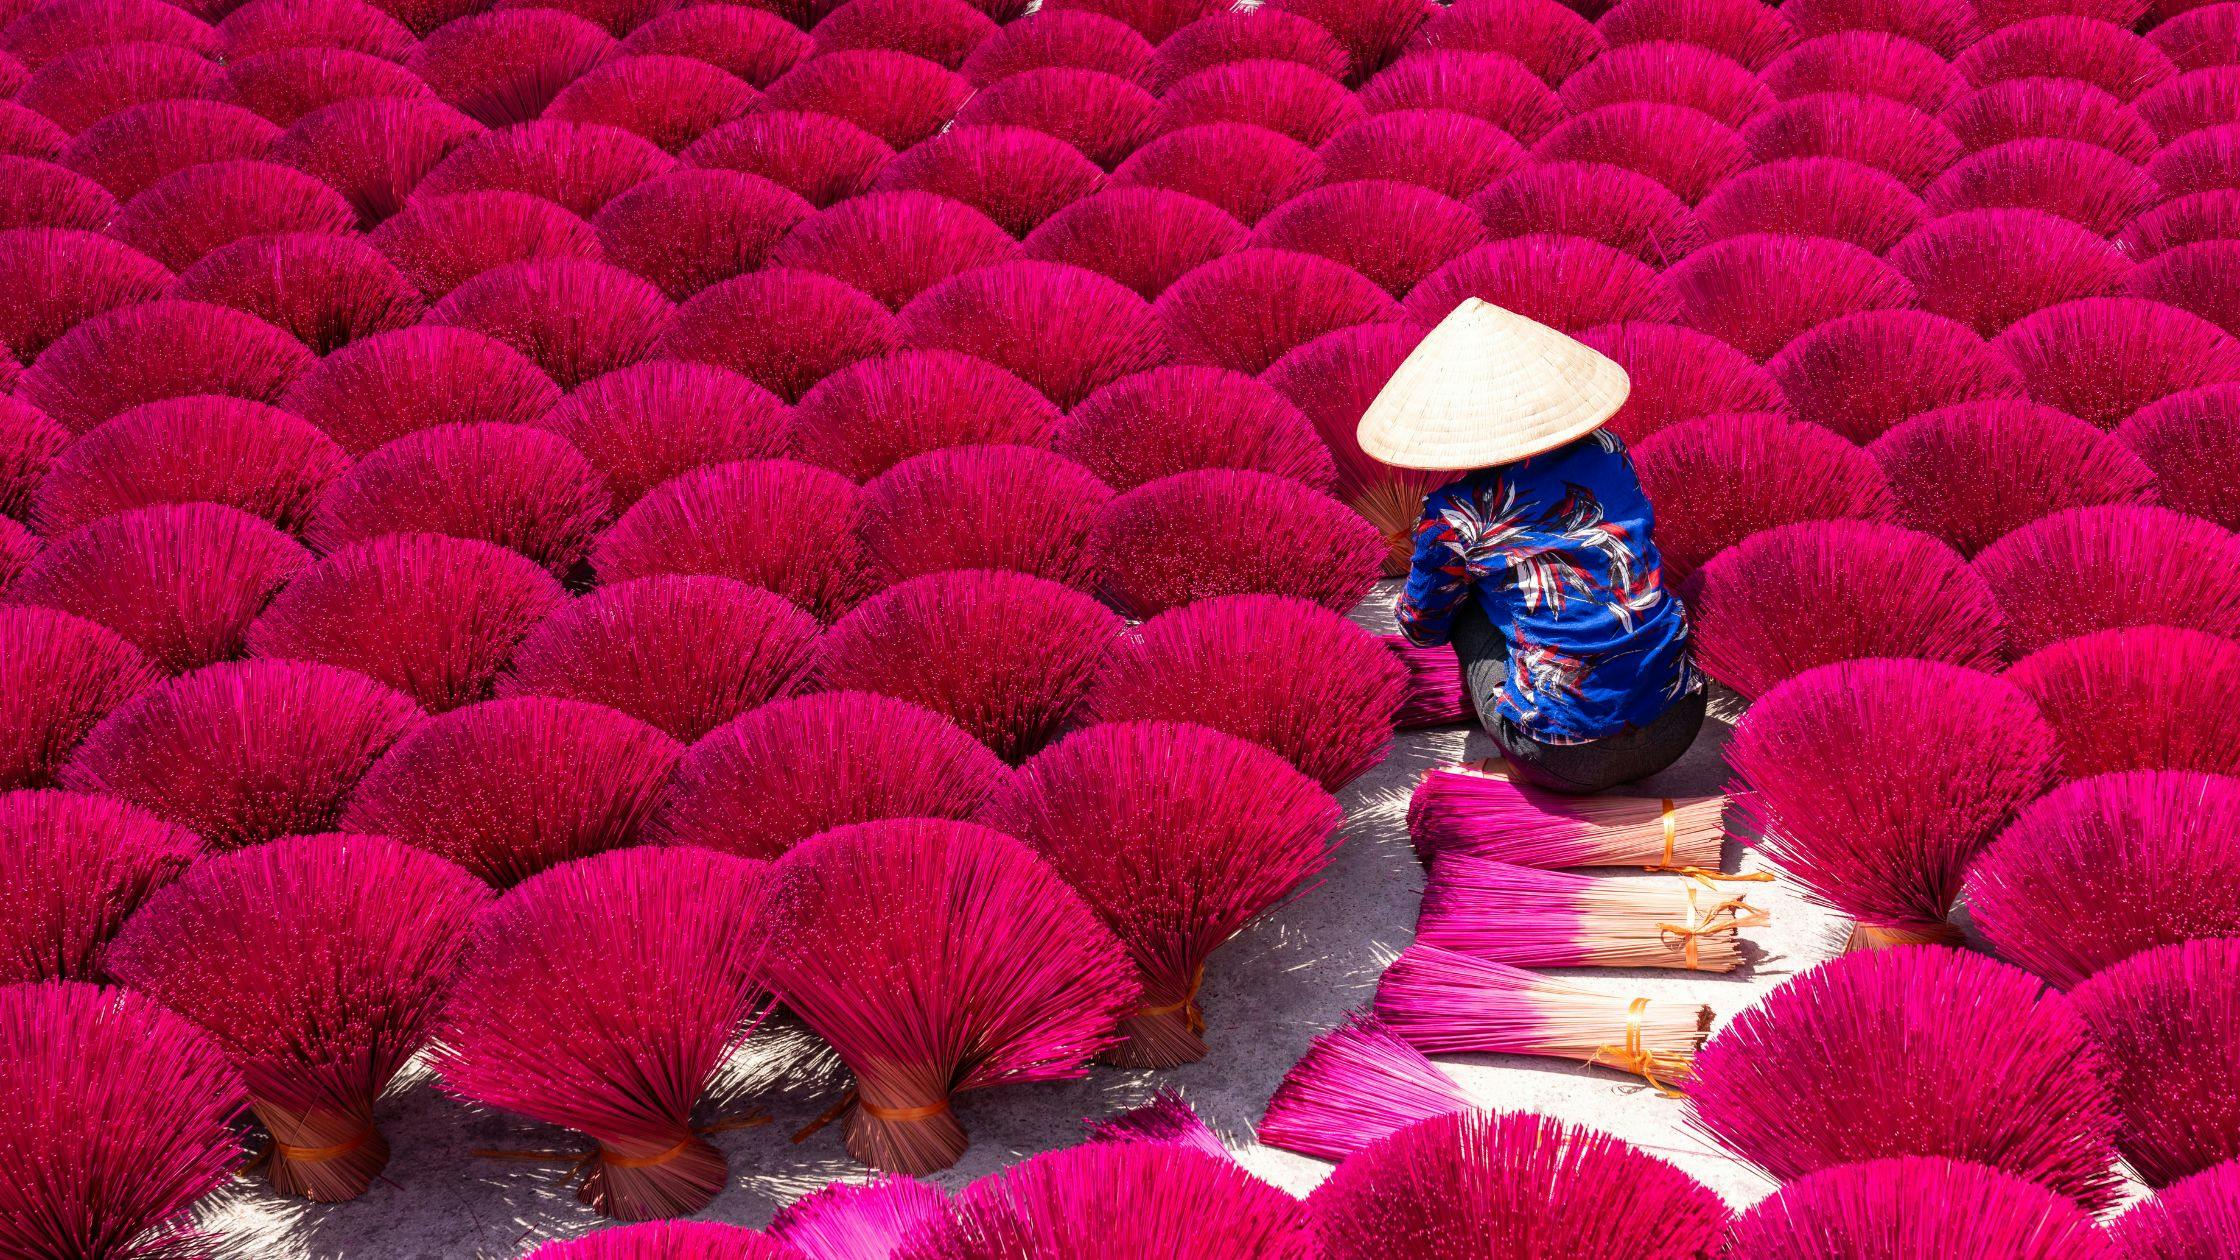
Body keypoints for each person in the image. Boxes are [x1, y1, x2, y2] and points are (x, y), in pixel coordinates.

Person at [1359, 298, 1703, 794]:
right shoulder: (1610, 450)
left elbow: (1421, 628)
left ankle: (1528, 714)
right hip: (1680, 718)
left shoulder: (1455, 515)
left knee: (1466, 597)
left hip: (1563, 757)